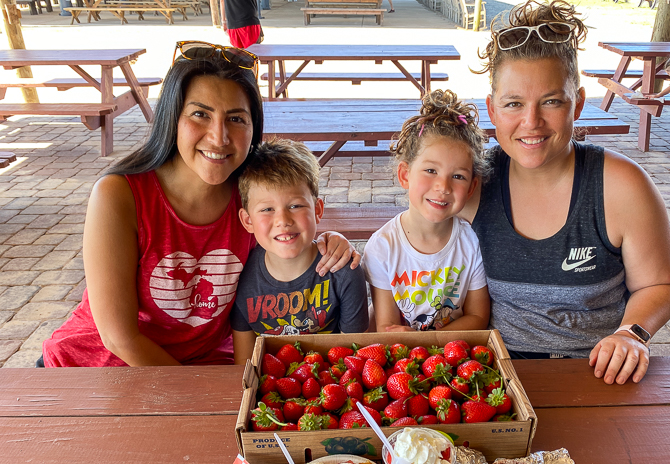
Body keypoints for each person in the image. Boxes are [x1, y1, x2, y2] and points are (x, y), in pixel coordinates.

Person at [41, 42, 356, 368]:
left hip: (204, 363)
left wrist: (329, 244)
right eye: (200, 114)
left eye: (236, 118)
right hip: (99, 367)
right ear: (172, 117)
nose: (219, 137)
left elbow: (287, 240)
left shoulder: (252, 198)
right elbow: (119, 337)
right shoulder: (119, 195)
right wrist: (195, 392)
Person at [460, 0, 670, 384]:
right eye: (514, 104)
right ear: (492, 110)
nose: (531, 122)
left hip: (599, 371)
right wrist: (343, 246)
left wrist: (631, 334)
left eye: (551, 101)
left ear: (577, 103)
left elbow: (660, 284)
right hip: (497, 375)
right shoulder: (474, 181)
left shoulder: (621, 184)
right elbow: (414, 230)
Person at [231, 139, 369, 364]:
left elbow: (353, 363)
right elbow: (245, 367)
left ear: (317, 210)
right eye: (267, 209)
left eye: (295, 206)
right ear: (247, 220)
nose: (283, 220)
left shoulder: (345, 273)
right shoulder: (239, 277)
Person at [363, 90, 490, 333]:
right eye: (431, 171)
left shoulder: (472, 242)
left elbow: (478, 316)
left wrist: (429, 343)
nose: (443, 187)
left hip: (455, 352)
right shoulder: (381, 247)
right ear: (405, 175)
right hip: (402, 354)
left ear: (472, 187)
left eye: (458, 176)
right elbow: (386, 325)